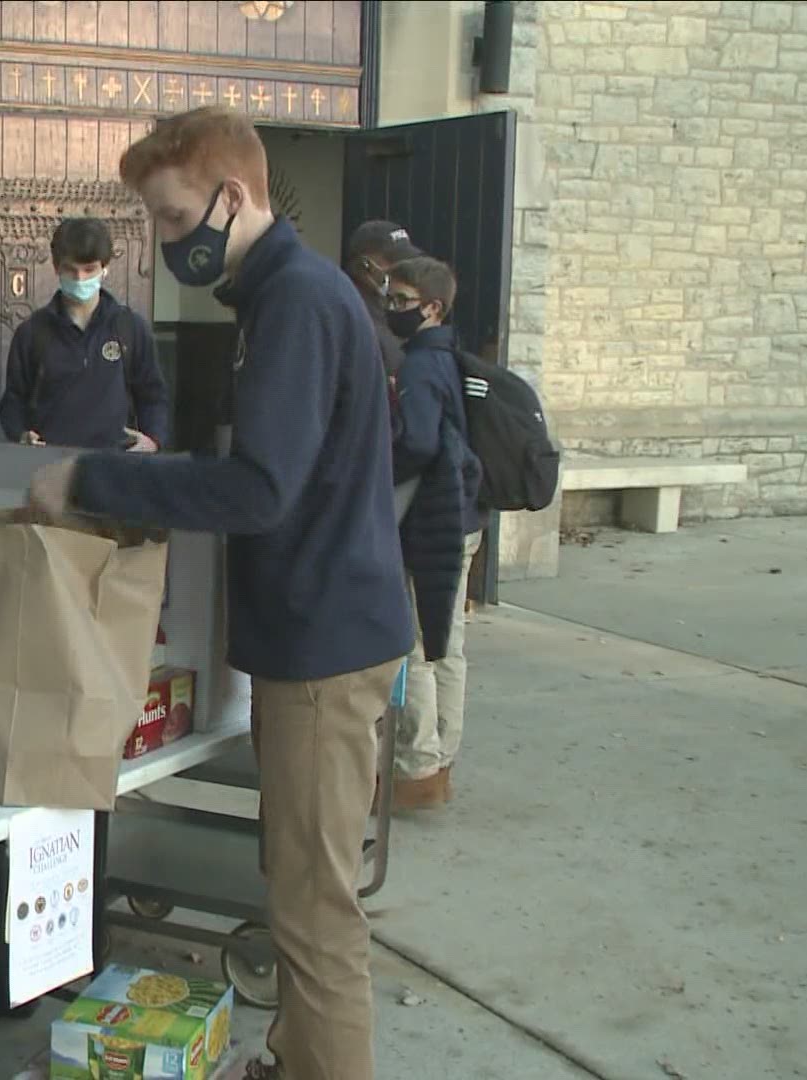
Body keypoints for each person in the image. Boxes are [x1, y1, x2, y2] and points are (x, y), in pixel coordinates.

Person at [27, 107, 412, 1080]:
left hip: (324, 648)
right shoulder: (286, 296)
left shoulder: (295, 303)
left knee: (313, 910)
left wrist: (91, 481)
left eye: (167, 218)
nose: (159, 244)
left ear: (231, 198)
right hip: (321, 626)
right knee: (296, 884)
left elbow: (258, 489)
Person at [383, 256, 485, 810]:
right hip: (463, 517)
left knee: (417, 645)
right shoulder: (449, 356)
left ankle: (415, 767)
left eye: (400, 301)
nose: (390, 308)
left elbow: (418, 442)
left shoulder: (421, 365)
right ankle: (442, 758)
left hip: (430, 522)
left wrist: (379, 475)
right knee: (450, 643)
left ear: (432, 308)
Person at [0, 217, 171, 452]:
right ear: (57, 268)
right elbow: (12, 401)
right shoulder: (31, 333)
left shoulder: (130, 328)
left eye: (89, 270)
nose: (80, 279)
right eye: (71, 269)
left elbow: (153, 395)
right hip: (50, 462)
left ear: (104, 269)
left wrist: (153, 439)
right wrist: (20, 434)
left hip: (114, 463)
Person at [344, 219, 423, 383]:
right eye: (394, 261)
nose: (403, 269)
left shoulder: (393, 310)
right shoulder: (348, 313)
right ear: (364, 265)